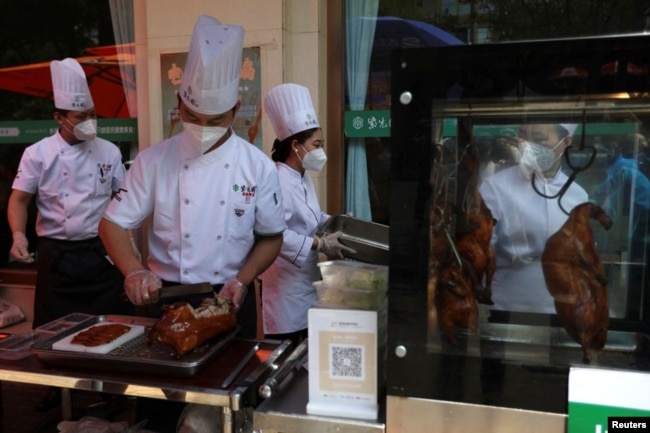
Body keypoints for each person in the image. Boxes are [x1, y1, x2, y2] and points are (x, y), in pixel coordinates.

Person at [98, 15, 285, 340]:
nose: (202, 128)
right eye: (191, 116)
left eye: (215, 120)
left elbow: (271, 236)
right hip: (164, 297)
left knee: (230, 383)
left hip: (230, 297)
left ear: (236, 109)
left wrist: (242, 279)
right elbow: (111, 224)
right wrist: (135, 271)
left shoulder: (257, 166)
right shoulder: (153, 160)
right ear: (179, 103)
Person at [7, 57, 132, 411]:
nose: (89, 122)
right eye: (81, 117)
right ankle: (57, 390)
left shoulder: (108, 150)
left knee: (109, 326)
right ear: (60, 118)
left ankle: (110, 392)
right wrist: (18, 235)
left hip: (99, 252)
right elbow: (19, 200)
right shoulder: (38, 154)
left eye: (93, 114)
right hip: (56, 255)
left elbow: (121, 201)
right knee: (52, 332)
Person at [259, 83, 355, 347]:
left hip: (305, 281)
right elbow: (273, 233)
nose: (320, 151)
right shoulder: (275, 179)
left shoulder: (302, 177)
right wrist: (319, 243)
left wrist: (335, 222)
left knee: (306, 351)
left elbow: (310, 215)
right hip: (283, 287)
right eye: (316, 144)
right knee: (283, 350)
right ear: (295, 145)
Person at [478, 122, 588, 314]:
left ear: (566, 141)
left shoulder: (578, 195)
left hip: (561, 309)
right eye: (523, 136)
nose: (527, 145)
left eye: (538, 139)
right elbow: (481, 252)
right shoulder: (496, 186)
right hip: (503, 305)